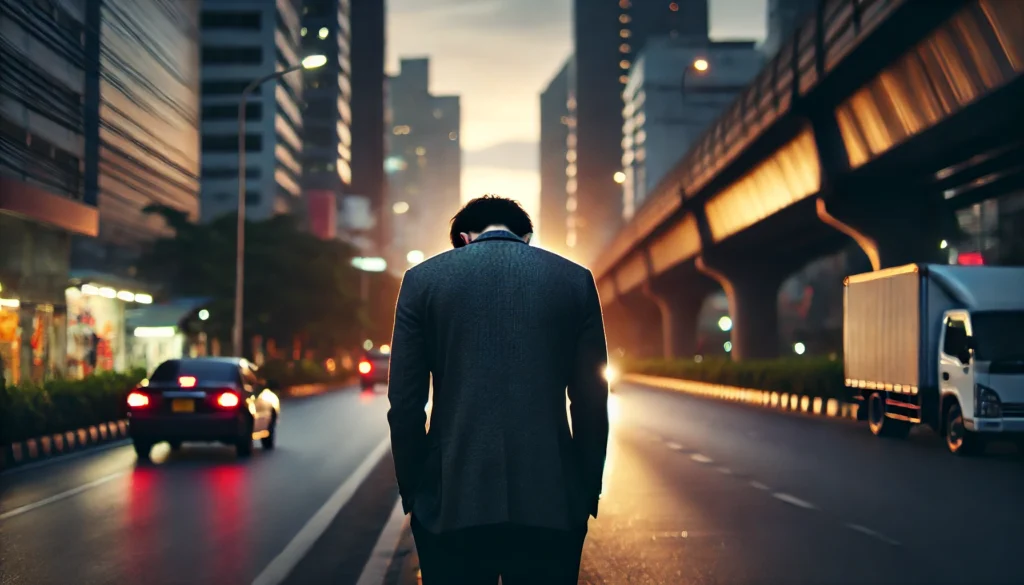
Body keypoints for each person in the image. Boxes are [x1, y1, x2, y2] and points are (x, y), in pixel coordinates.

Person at [387, 195, 610, 584]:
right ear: (526, 237)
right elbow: (591, 401)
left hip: (453, 500)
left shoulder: (421, 282)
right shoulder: (575, 281)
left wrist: (417, 492)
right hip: (552, 500)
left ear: (463, 238)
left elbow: (405, 405)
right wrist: (585, 489)